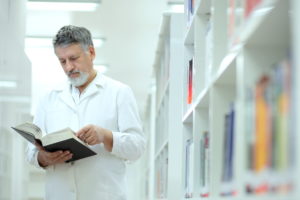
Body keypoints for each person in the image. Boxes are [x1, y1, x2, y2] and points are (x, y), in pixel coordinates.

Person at [26, 25, 146, 200]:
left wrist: (106, 136)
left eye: (73, 58)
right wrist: (43, 158)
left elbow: (137, 147)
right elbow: (30, 153)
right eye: (62, 61)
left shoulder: (119, 92)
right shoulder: (48, 98)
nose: (68, 67)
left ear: (91, 52)